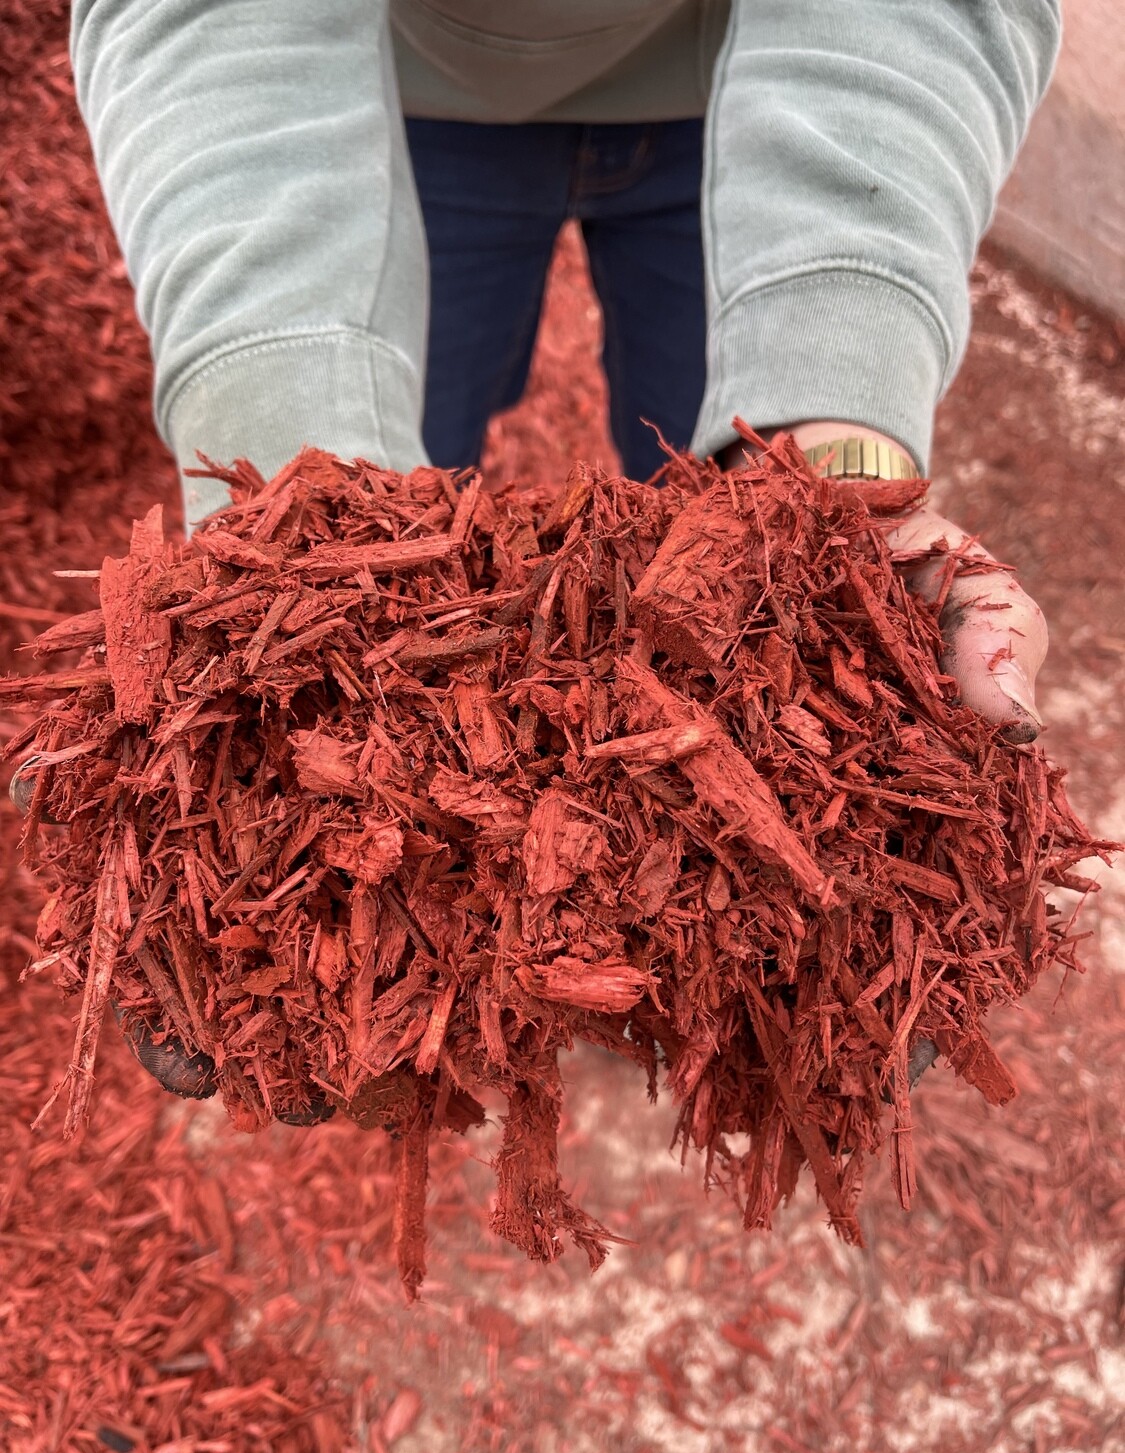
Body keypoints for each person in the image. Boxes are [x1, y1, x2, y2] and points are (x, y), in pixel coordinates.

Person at [54, 0, 1058, 1106]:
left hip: (784, 81)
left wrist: (841, 429)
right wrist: (284, 487)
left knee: (741, 504)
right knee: (379, 506)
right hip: (382, 100)